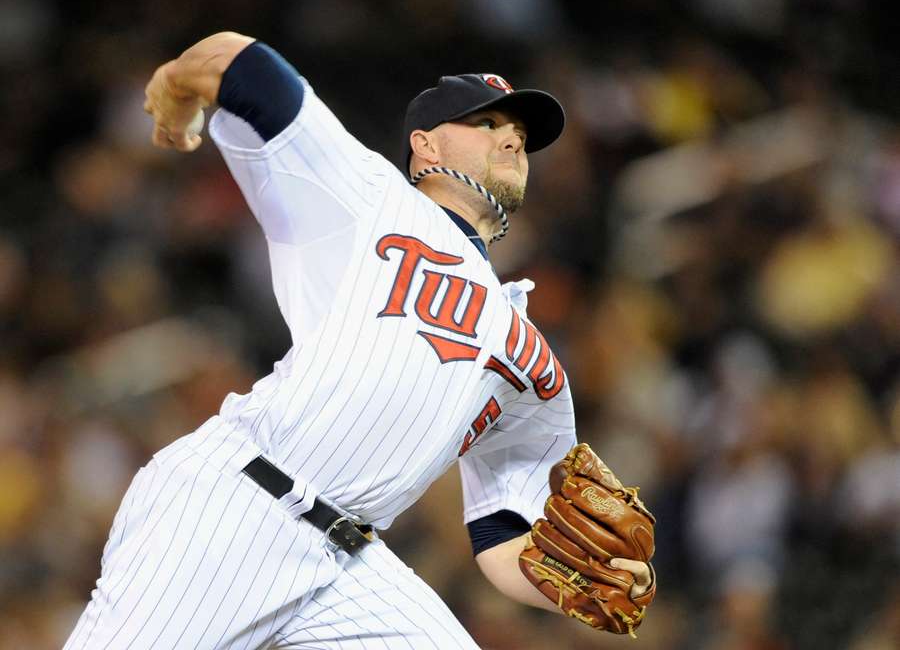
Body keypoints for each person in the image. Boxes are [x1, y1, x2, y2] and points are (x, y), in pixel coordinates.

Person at [64, 32, 652, 649]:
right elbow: (244, 62)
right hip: (238, 505)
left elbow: (503, 532)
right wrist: (176, 88)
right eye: (486, 122)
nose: (512, 138)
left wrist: (598, 580)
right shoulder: (368, 196)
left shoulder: (526, 352)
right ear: (424, 146)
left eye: (520, 134)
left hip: (347, 563)